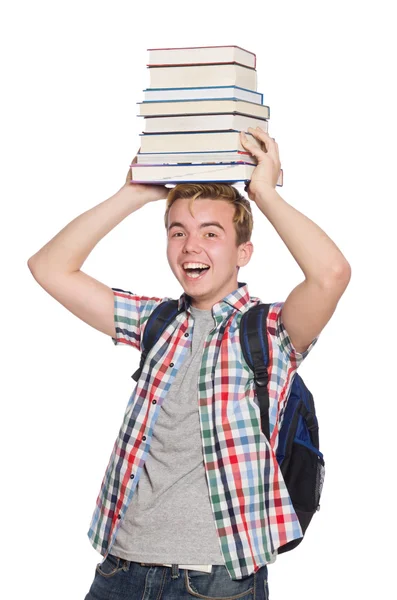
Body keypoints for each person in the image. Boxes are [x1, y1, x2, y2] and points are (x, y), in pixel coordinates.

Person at [27, 126, 351, 600]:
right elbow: (49, 268)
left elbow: (331, 274)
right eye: (178, 232)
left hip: (216, 580)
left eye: (211, 233)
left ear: (244, 253)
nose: (190, 246)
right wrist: (133, 193)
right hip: (120, 569)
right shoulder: (155, 322)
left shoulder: (269, 331)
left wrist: (263, 194)